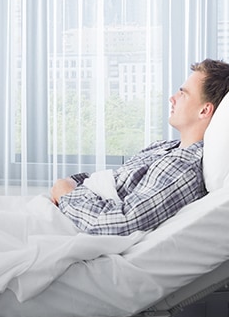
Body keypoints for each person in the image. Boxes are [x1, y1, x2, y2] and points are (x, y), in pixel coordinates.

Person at [50, 58, 229, 236]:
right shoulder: (164, 147)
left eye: (183, 94)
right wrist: (69, 183)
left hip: (73, 213)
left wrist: (66, 195)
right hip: (71, 203)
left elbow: (119, 223)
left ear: (204, 110)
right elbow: (115, 181)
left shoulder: (182, 168)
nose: (172, 98)